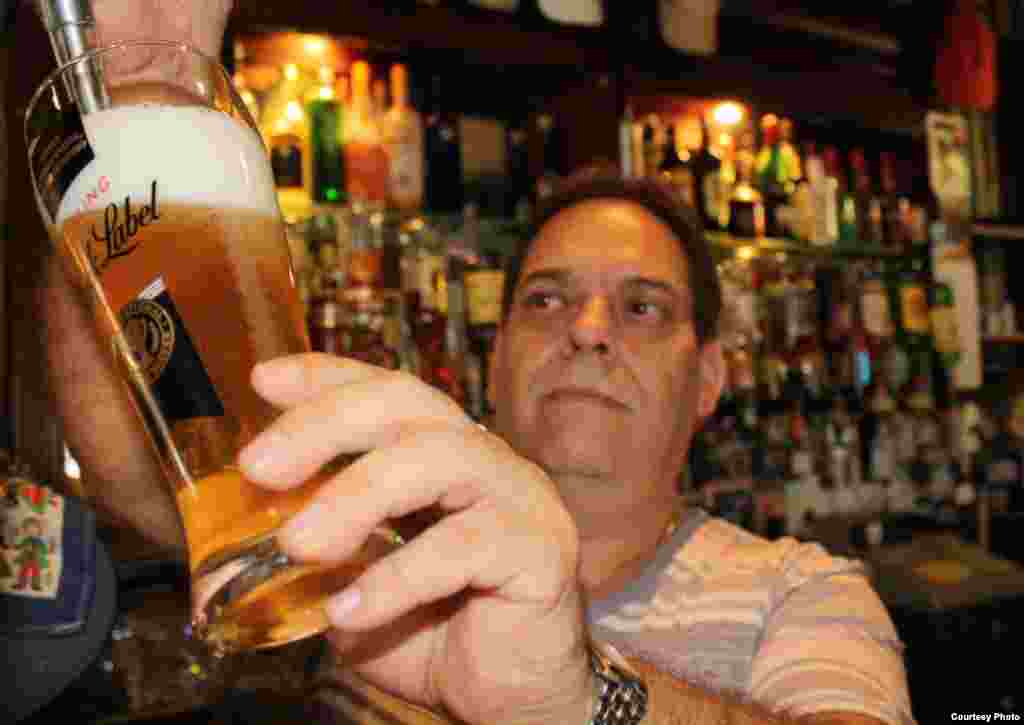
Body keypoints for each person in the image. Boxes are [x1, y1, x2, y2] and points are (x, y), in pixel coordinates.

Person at [35, 2, 916, 724]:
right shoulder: (367, 542)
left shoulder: (801, 589)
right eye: (546, 299)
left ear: (713, 377)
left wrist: (580, 700)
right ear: (496, 359)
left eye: (642, 306)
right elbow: (140, 467)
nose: (589, 331)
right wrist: (134, 96)